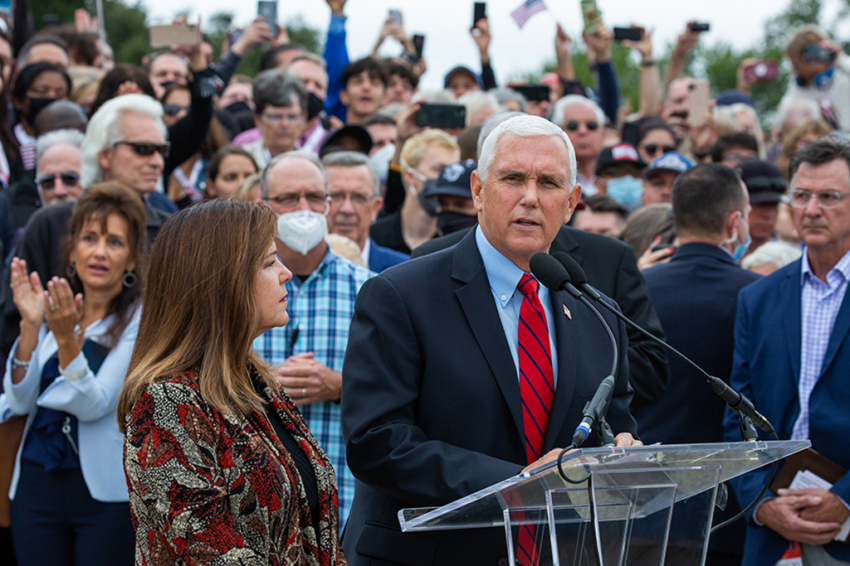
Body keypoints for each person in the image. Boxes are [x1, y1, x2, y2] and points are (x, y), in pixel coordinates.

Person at [341, 115, 640, 566]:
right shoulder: (400, 295)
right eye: (513, 178)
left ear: (573, 201)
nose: (530, 197)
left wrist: (622, 453)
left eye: (550, 183)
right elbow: (377, 441)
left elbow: (611, 425)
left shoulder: (596, 311)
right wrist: (519, 481)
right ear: (478, 190)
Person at [118, 199, 345, 565]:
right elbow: (211, 551)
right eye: (270, 262)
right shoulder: (167, 403)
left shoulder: (257, 383)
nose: (286, 273)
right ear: (224, 280)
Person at [2, 182, 146, 565]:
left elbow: (94, 404)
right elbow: (18, 400)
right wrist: (32, 327)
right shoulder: (54, 308)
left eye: (114, 242)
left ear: (132, 259)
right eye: (89, 238)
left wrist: (67, 338)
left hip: (104, 498)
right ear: (72, 251)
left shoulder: (140, 320)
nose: (99, 251)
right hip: (34, 486)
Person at [725, 135, 850, 565]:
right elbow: (739, 417)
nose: (811, 209)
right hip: (773, 533)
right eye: (801, 195)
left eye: (829, 196)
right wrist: (761, 505)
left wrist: (845, 499)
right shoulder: (758, 298)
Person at [636, 164, 760, 565]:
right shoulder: (757, 296)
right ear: (734, 221)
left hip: (642, 502)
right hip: (728, 508)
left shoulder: (637, 290)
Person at [254, 151, 373, 528]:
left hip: (344, 501)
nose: (303, 209)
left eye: (315, 198)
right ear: (262, 206)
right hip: (259, 506)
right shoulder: (234, 295)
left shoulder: (370, 290)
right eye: (289, 199)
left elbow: (408, 396)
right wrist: (264, 383)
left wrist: (339, 385)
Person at [370, 129, 460, 254]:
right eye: (439, 169)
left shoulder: (456, 243)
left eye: (453, 171)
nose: (448, 178)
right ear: (410, 175)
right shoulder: (374, 237)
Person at [322, 150, 408, 272]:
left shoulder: (403, 270)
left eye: (359, 197)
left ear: (376, 207)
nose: (347, 209)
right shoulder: (290, 271)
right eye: (336, 196)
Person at [779, 25, 850, 132]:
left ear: (810, 57)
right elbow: (783, 115)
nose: (795, 71)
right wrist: (797, 84)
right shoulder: (802, 87)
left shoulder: (843, 72)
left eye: (797, 65)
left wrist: (840, 59)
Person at [241, 70, 308, 169]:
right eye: (276, 117)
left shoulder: (312, 165)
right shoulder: (242, 162)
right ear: (258, 119)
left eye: (292, 117)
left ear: (304, 118)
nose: (285, 124)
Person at [11, 63, 72, 172]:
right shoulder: (7, 145)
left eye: (60, 93)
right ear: (18, 101)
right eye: (41, 91)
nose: (51, 97)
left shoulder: (75, 144)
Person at [551, 95, 606, 195]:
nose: (582, 131)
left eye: (591, 125)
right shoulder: (549, 180)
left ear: (603, 134)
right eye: (572, 125)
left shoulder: (614, 179)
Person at [737, 159, 787, 258]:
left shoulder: (787, 260)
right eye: (760, 205)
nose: (768, 214)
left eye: (774, 205)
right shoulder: (718, 258)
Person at [339, 58, 386, 125]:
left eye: (374, 83)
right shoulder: (324, 134)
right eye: (358, 82)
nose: (366, 87)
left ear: (384, 97)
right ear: (344, 95)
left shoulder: (396, 135)